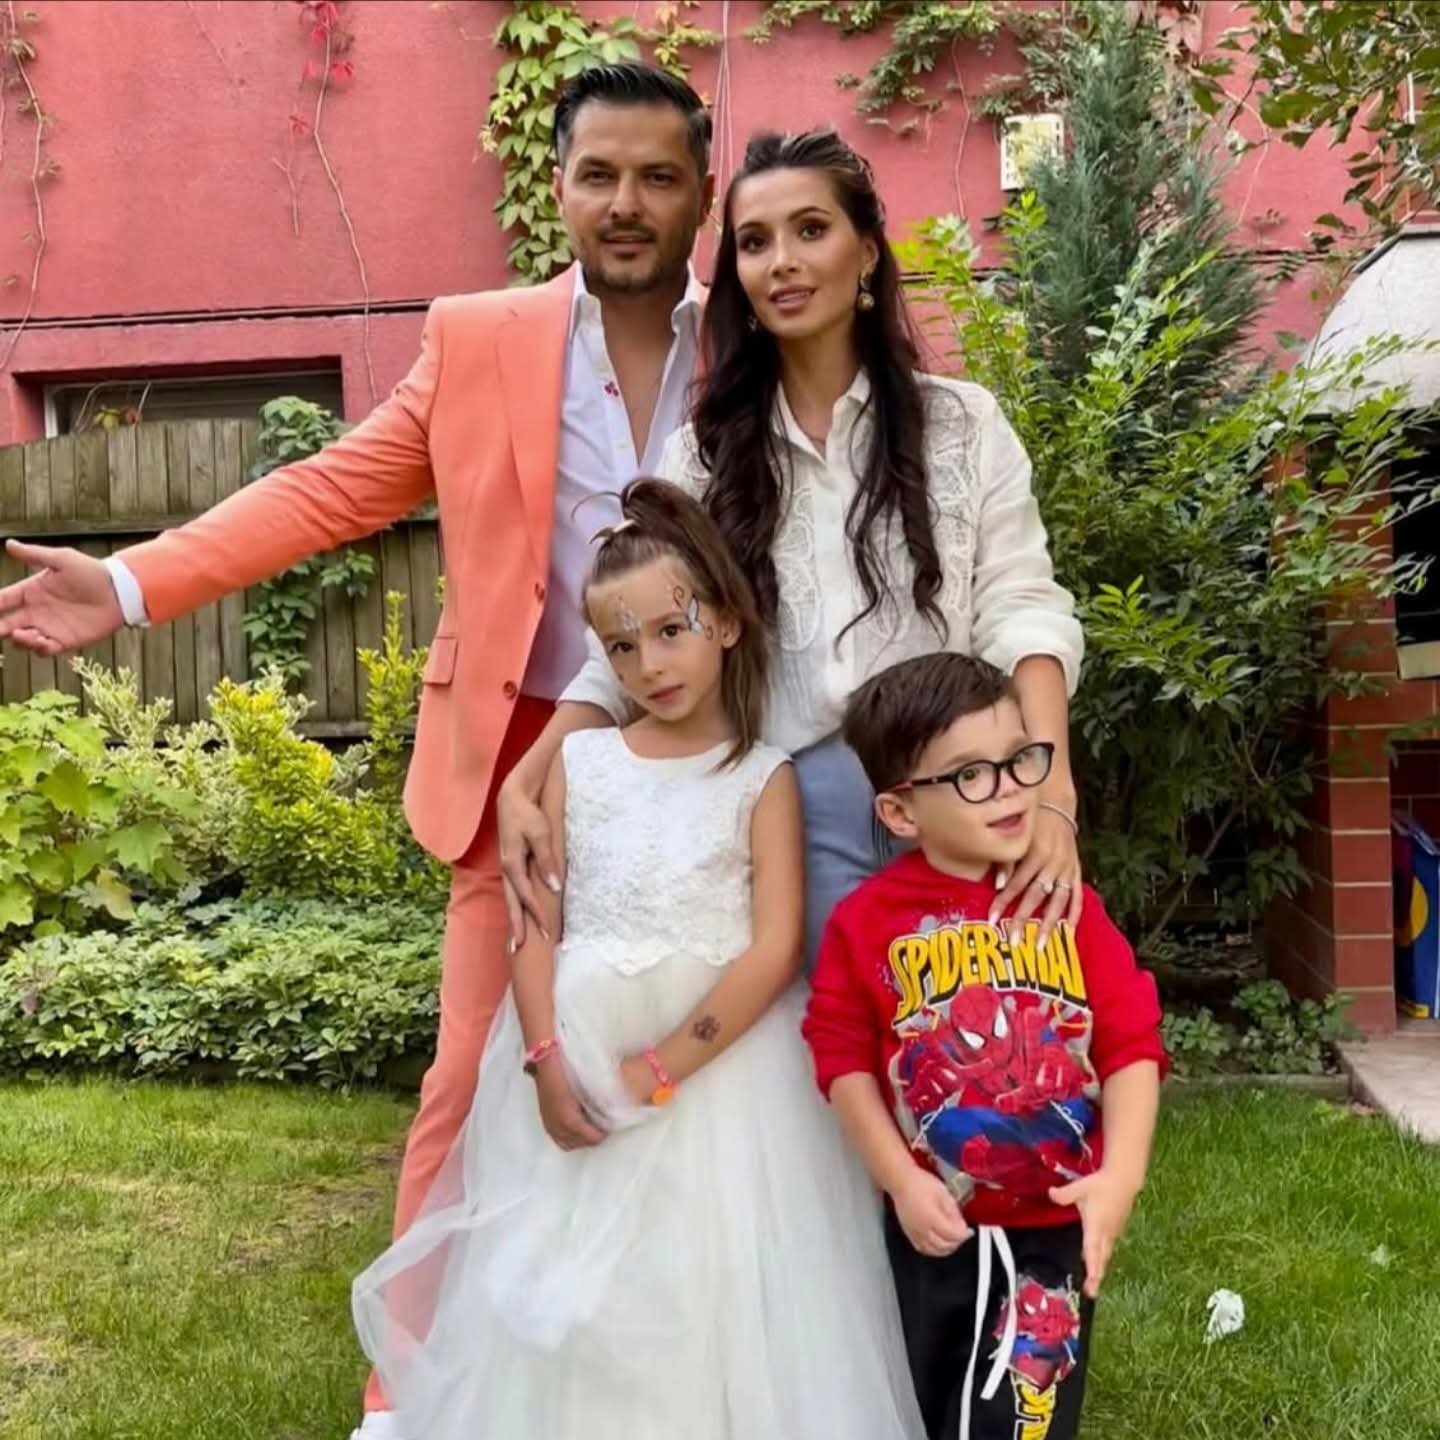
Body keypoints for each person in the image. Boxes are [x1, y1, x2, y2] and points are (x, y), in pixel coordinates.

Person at [0, 61, 716, 1440]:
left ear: (700, 191)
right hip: (520, 757)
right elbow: (328, 490)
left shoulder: (758, 332)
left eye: (658, 177)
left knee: (707, 1062)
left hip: (708, 753)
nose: (626, 203)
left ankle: (679, 1366)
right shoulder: (482, 339)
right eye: (599, 175)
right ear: (558, 188)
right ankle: (406, 1394)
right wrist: (134, 582)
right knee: (470, 1076)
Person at [352, 479, 926, 1440]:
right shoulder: (582, 767)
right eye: (621, 646)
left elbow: (775, 945)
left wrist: (658, 1069)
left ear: (726, 625)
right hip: (577, 1048)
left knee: (705, 1279)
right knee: (576, 1282)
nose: (649, 664)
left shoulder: (763, 777)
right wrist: (545, 1057)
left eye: (670, 631)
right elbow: (537, 920)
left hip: (720, 1078)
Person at [499, 128, 1086, 978]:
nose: (782, 262)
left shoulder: (962, 426)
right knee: (832, 1045)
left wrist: (1050, 789)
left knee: (988, 1038)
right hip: (791, 815)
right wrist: (527, 777)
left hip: (966, 799)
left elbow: (1023, 610)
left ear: (867, 252)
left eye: (811, 230)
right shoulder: (704, 459)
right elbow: (625, 645)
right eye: (753, 242)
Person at [802, 651, 1165, 1440]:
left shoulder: (1066, 905)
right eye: (970, 774)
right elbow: (841, 1059)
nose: (1006, 788)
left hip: (1054, 1225)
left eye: (1017, 760)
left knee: (1023, 1418)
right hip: (934, 1226)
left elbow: (1132, 1043)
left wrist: (1121, 1177)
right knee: (933, 1409)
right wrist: (900, 1179)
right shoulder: (867, 923)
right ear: (900, 812)